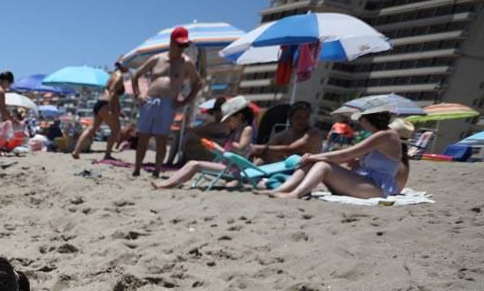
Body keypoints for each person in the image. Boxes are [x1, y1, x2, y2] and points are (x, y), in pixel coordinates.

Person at [270, 99, 406, 200]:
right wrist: (356, 163)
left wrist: (314, 156)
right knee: (315, 163)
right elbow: (350, 157)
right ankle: (281, 189)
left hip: (379, 188)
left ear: (366, 119)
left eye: (360, 119)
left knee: (322, 165)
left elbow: (346, 154)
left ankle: (295, 194)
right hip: (368, 183)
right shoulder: (380, 135)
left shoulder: (385, 135)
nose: (360, 122)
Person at [131, 26, 202, 178]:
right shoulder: (157, 58)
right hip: (150, 100)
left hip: (168, 103)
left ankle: (157, 171)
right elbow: (136, 74)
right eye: (180, 44)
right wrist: (138, 95)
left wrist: (186, 101)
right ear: (171, 42)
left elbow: (198, 83)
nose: (182, 48)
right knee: (143, 137)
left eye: (185, 45)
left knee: (161, 139)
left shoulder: (186, 62)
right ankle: (136, 169)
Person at [150, 97, 257, 190]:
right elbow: (230, 153)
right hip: (226, 166)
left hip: (233, 169)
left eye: (230, 119)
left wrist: (225, 146)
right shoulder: (235, 132)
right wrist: (216, 148)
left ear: (239, 116)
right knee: (193, 164)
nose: (228, 123)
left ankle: (166, 184)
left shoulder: (247, 129)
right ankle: (169, 183)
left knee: (194, 164)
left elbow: (241, 149)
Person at [72, 61, 127, 160]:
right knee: (116, 130)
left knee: (91, 128)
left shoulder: (112, 75)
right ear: (123, 66)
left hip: (99, 103)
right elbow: (113, 92)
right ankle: (107, 154)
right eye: (128, 66)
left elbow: (111, 92)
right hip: (106, 104)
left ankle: (76, 151)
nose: (129, 69)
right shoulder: (119, 76)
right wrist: (111, 109)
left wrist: (118, 110)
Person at [249, 101, 323, 163]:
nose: (303, 121)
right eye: (298, 117)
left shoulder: (313, 133)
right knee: (264, 156)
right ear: (291, 119)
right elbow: (268, 147)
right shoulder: (286, 133)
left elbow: (291, 149)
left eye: (306, 117)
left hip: (307, 170)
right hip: (289, 169)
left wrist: (260, 148)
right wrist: (258, 150)